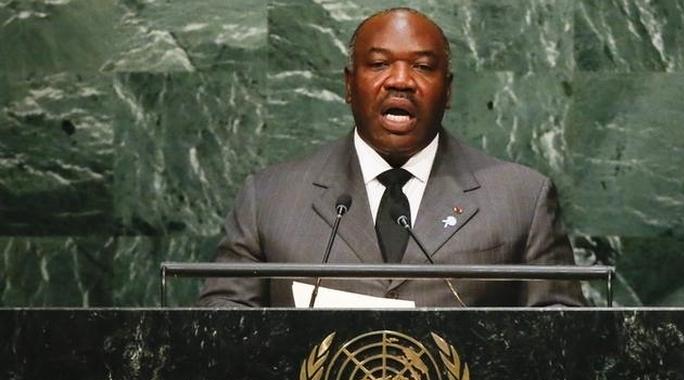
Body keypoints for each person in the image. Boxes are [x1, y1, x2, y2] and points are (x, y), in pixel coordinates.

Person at [198, 8, 586, 307]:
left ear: (447, 91)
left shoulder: (521, 197)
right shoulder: (269, 198)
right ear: (350, 85)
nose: (401, 80)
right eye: (380, 64)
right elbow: (218, 327)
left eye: (422, 67)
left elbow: (563, 341)